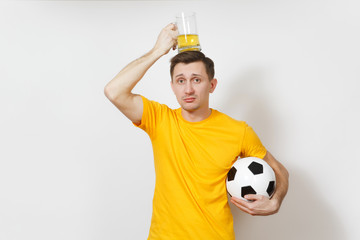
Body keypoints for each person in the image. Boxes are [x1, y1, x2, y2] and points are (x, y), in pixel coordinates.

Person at [104, 23, 289, 240]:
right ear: (172, 86)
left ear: (212, 85)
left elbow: (280, 171)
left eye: (196, 80)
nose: (188, 89)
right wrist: (157, 51)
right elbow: (113, 91)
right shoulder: (160, 119)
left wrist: (275, 201)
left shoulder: (238, 131)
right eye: (181, 81)